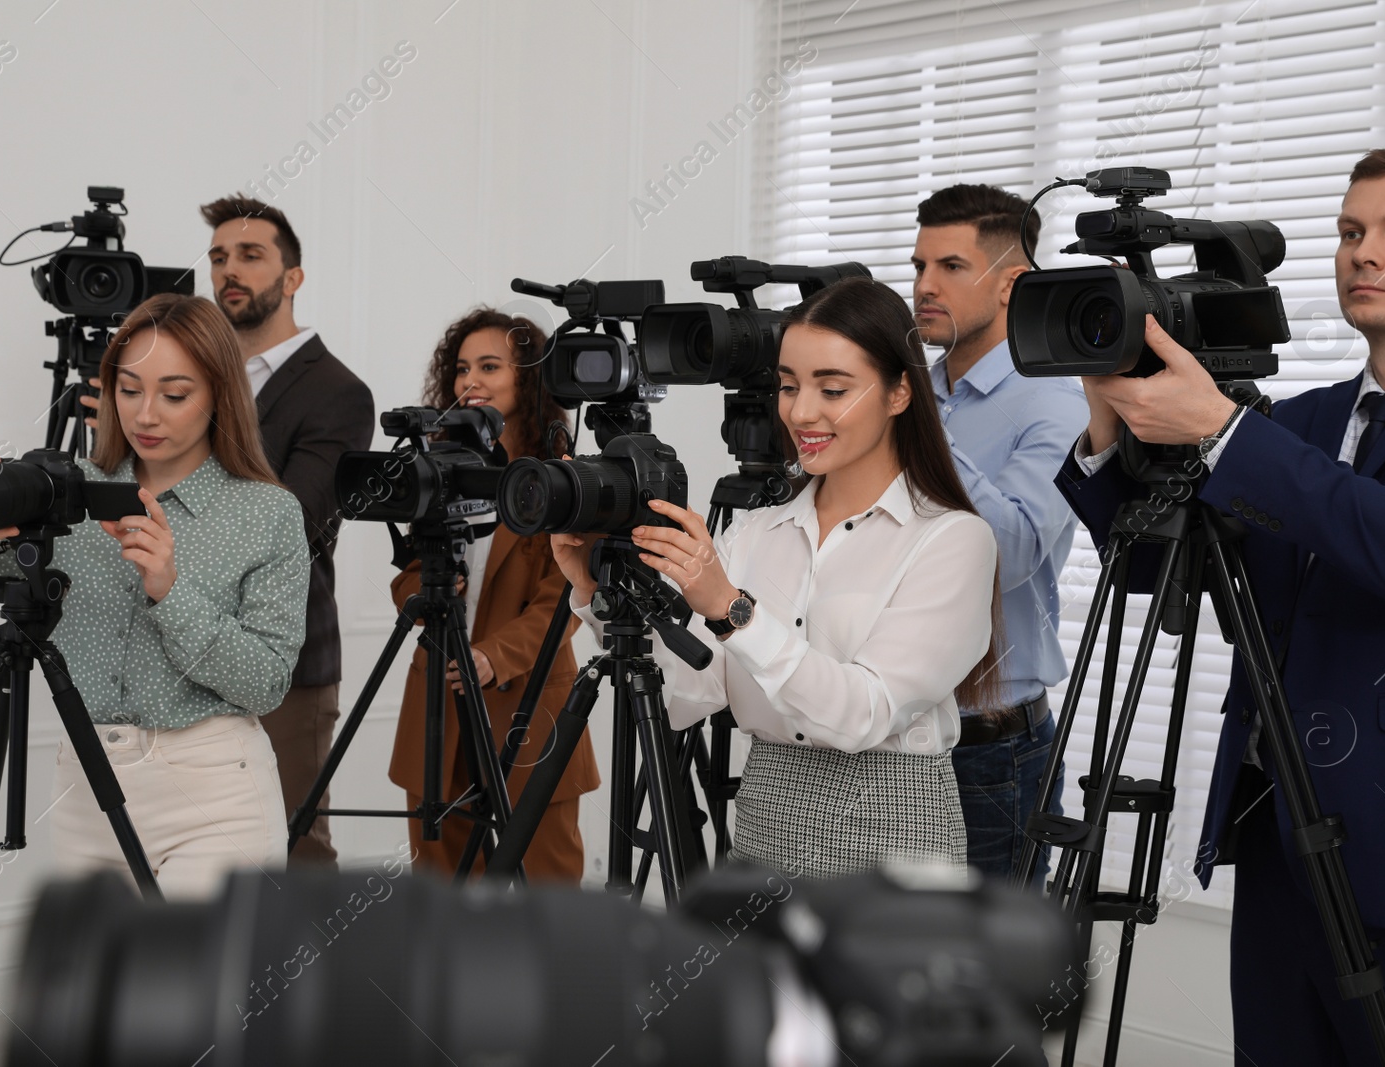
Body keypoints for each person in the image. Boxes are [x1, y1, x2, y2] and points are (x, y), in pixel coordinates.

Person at [1059, 144, 1385, 1064]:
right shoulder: (1302, 422)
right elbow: (1166, 572)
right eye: (1351, 232)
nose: (1364, 252)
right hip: (1278, 843)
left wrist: (1225, 431)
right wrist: (1111, 429)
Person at [555, 277, 1000, 878]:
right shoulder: (756, 533)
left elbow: (864, 714)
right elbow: (687, 693)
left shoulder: (950, 540)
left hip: (893, 824)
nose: (801, 411)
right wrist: (591, 589)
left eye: (833, 388)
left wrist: (732, 610)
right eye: (789, 386)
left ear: (900, 392)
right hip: (766, 815)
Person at [0, 293, 308, 900]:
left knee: (191, 992)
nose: (145, 414)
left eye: (174, 394)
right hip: (86, 787)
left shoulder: (267, 512)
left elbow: (266, 683)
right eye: (129, 389)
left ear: (220, 395)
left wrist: (171, 591)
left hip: (215, 794)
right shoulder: (65, 492)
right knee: (98, 994)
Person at [912, 184, 1088, 880]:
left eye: (950, 267)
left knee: (981, 977)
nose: (924, 285)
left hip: (988, 752)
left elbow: (1009, 552)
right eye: (918, 265)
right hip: (879, 732)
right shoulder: (903, 393)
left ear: (1012, 283)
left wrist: (919, 431)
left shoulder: (1054, 404)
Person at [388, 308, 599, 882]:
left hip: (527, 710)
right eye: (460, 369)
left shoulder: (561, 476)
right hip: (439, 710)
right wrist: (427, 586)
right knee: (439, 895)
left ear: (528, 379)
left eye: (489, 366)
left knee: (544, 891)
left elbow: (565, 598)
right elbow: (406, 571)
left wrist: (492, 656)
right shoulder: (436, 466)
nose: (469, 382)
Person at [200, 194, 375, 869]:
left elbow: (294, 523)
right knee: (198, 854)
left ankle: (310, 980)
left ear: (292, 277)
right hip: (182, 650)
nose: (228, 272)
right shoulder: (190, 384)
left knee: (294, 849)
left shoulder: (337, 391)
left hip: (286, 658)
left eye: (249, 254)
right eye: (218, 257)